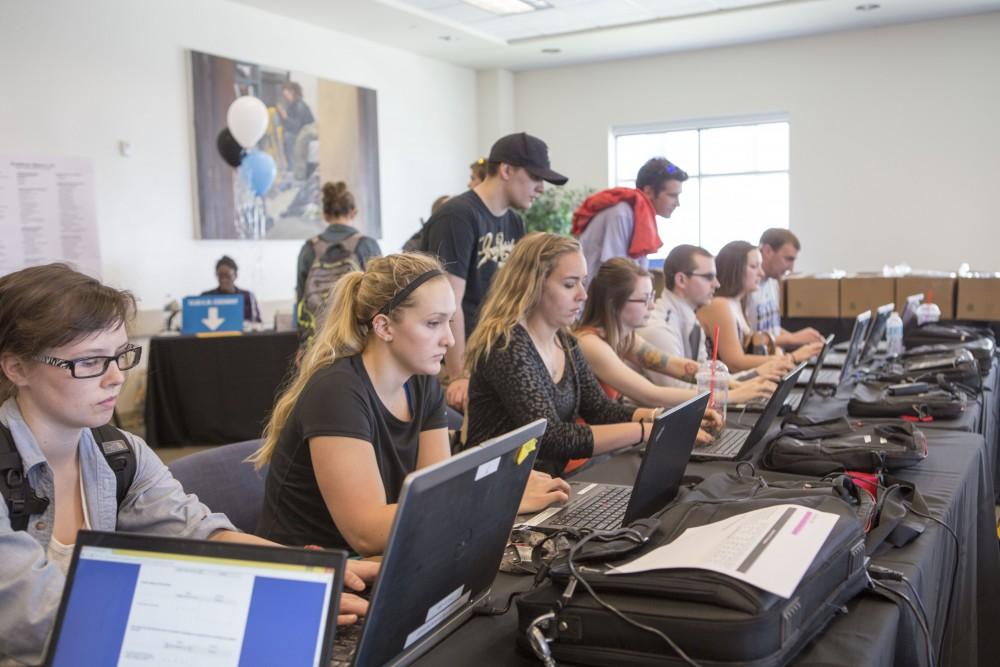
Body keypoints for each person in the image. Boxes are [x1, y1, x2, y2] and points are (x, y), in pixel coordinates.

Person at [0, 265, 375, 665]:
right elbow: (43, 618)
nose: (115, 379)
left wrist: (308, 576)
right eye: (90, 362)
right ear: (17, 367)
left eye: (120, 356)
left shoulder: (120, 451)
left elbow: (199, 533)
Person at [251, 253, 569, 557]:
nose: (450, 339)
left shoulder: (420, 380)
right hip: (321, 576)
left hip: (386, 555)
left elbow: (437, 491)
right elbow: (366, 532)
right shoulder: (337, 392)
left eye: (449, 321)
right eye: (433, 323)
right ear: (384, 327)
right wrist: (499, 497)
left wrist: (496, 488)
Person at [464, 233, 686, 476]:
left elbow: (599, 409)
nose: (583, 294)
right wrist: (646, 430)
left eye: (583, 282)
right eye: (570, 284)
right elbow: (551, 437)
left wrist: (659, 417)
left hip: (546, 483)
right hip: (499, 489)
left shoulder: (565, 340)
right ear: (532, 285)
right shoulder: (506, 345)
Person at [421, 133, 567, 412]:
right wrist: (459, 374)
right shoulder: (458, 217)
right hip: (454, 360)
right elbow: (448, 304)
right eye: (536, 177)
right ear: (506, 170)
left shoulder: (514, 222)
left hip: (491, 355)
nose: (541, 189)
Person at [576, 258, 776, 411]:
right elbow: (652, 395)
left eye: (652, 297)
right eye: (644, 300)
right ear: (614, 304)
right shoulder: (591, 343)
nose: (652, 305)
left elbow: (675, 366)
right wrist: (731, 395)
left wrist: (732, 384)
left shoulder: (626, 338)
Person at [638, 245, 792, 388]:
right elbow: (680, 393)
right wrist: (751, 380)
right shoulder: (659, 329)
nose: (717, 284)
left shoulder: (691, 320)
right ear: (681, 280)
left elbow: (705, 378)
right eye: (709, 277)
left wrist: (755, 376)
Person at [697, 241, 822, 373]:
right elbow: (735, 362)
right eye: (754, 266)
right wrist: (791, 357)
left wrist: (777, 353)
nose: (761, 273)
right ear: (735, 269)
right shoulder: (719, 305)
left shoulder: (738, 302)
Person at [572, 157, 687, 281]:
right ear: (649, 191)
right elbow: (616, 273)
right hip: (598, 297)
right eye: (672, 195)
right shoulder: (622, 213)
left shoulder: (640, 214)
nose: (677, 203)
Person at [747, 228, 825, 348]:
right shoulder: (748, 287)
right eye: (788, 259)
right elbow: (748, 338)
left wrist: (800, 339)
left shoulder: (773, 283)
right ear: (767, 251)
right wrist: (792, 339)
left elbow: (772, 328)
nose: (791, 268)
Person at [200, 255, 262, 323]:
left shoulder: (248, 297)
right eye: (220, 276)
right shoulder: (206, 297)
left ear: (235, 275)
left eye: (227, 275)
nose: (223, 280)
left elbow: (257, 323)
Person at [277, 81, 315, 176]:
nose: (285, 98)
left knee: (288, 136)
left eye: (286, 95)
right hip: (300, 132)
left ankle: (292, 169)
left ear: (292, 92)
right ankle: (290, 167)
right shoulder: (293, 105)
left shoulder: (300, 105)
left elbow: (296, 126)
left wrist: (285, 116)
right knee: (285, 135)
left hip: (305, 133)